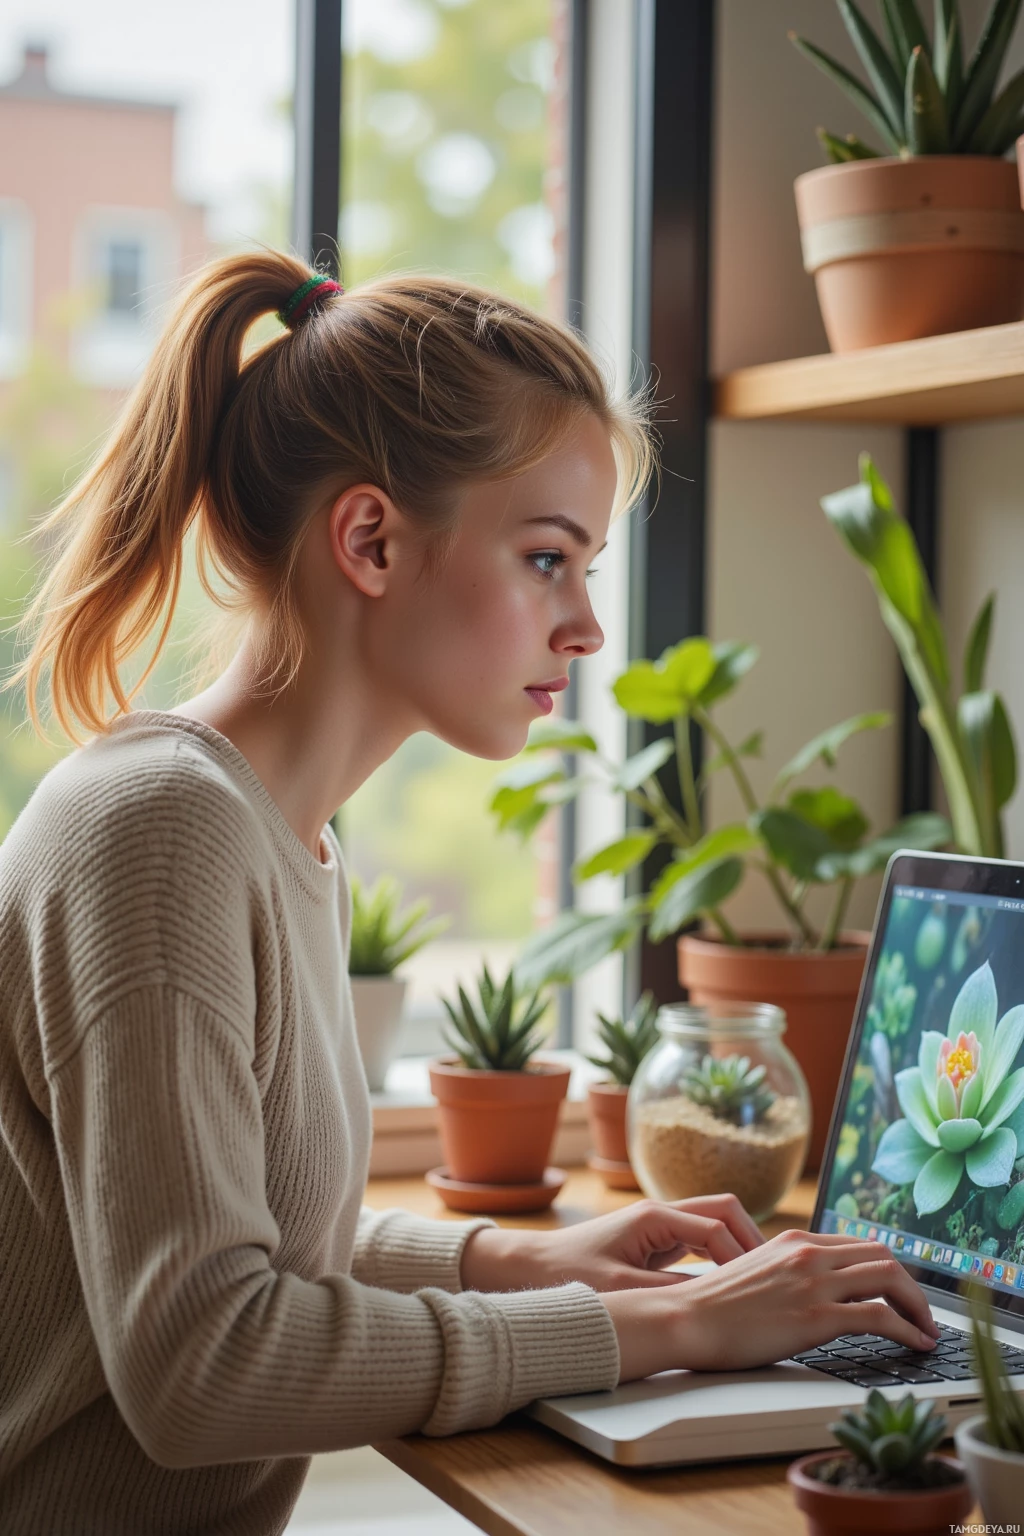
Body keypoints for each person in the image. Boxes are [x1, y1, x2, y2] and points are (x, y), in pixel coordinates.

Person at [0, 250, 938, 1535]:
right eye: (549, 558)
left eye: (587, 567)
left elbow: (261, 1245)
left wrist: (519, 1259)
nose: (588, 629)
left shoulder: (274, 831)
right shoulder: (160, 834)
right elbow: (201, 1362)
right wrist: (654, 1324)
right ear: (372, 541)